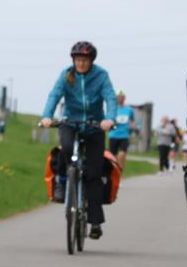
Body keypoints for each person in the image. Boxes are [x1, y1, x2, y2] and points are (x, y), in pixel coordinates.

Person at [39, 41, 116, 239]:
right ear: (73, 60)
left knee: (93, 174)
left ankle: (95, 222)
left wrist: (110, 119)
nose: (81, 64)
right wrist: (47, 116)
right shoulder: (66, 75)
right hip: (70, 122)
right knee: (65, 148)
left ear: (91, 61)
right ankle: (62, 182)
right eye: (78, 60)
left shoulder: (101, 76)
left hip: (94, 126)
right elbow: (54, 95)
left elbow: (110, 98)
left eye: (85, 60)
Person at [108, 91, 135, 170]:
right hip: (113, 135)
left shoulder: (129, 109)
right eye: (119, 97)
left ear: (124, 98)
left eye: (122, 97)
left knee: (122, 155)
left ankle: (120, 172)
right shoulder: (113, 109)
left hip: (124, 135)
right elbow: (108, 119)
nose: (120, 98)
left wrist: (132, 126)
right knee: (112, 157)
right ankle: (113, 174)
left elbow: (133, 120)